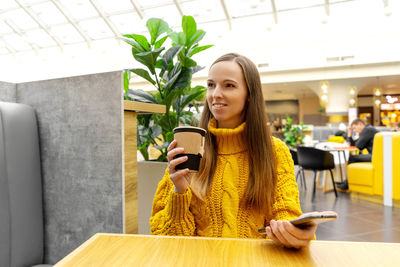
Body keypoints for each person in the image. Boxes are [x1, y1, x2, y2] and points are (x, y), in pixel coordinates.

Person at [149, 53, 316, 248]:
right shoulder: (190, 147)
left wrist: (294, 232)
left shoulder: (274, 151)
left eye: (229, 85)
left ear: (249, 95)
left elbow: (286, 213)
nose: (215, 94)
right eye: (211, 85)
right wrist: (179, 190)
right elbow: (166, 239)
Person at [336, 118, 379, 190]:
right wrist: (350, 132)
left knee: (351, 158)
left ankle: (347, 183)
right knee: (352, 157)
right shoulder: (368, 130)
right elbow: (354, 145)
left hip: (376, 156)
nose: (355, 131)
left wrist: (354, 140)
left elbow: (358, 146)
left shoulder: (368, 129)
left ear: (360, 124)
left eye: (355, 128)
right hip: (376, 155)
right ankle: (346, 182)